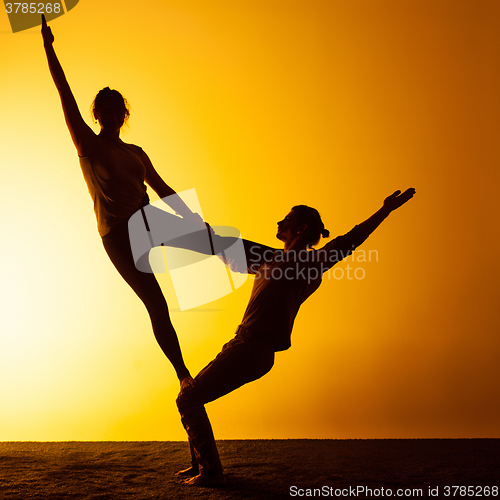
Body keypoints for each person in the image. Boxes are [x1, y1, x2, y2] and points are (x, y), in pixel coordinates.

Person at [176, 188, 416, 486]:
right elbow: (221, 245)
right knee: (192, 397)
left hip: (254, 348)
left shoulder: (312, 263)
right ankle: (201, 464)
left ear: (301, 229)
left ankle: (212, 472)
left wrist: (384, 211)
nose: (279, 222)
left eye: (286, 219)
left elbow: (349, 241)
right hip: (243, 344)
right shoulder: (269, 257)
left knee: (188, 399)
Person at [41, 15, 195, 392]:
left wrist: (191, 219)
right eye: (103, 110)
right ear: (96, 114)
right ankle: (184, 376)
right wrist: (49, 48)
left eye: (116, 110)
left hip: (146, 220)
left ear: (123, 115)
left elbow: (161, 187)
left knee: (216, 241)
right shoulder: (89, 146)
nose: (109, 115)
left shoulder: (137, 152)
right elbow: (64, 93)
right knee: (157, 303)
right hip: (119, 233)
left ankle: (275, 260)